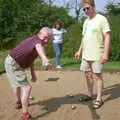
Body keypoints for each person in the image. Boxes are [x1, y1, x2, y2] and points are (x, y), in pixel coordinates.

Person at [5, 27, 53, 120]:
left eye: (49, 39)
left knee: (17, 85)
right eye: (46, 37)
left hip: (9, 61)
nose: (47, 40)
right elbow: (39, 47)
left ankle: (18, 102)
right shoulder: (37, 41)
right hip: (14, 64)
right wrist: (44, 58)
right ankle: (25, 114)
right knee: (27, 87)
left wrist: (33, 74)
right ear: (40, 34)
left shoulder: (32, 39)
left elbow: (31, 60)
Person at [75, 0, 111, 109]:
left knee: (97, 76)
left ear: (93, 6)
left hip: (97, 54)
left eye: (88, 8)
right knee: (87, 74)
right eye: (84, 9)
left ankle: (99, 98)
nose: (86, 11)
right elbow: (84, 37)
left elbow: (107, 36)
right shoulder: (86, 22)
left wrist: (105, 53)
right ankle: (90, 94)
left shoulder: (102, 19)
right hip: (86, 54)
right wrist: (79, 51)